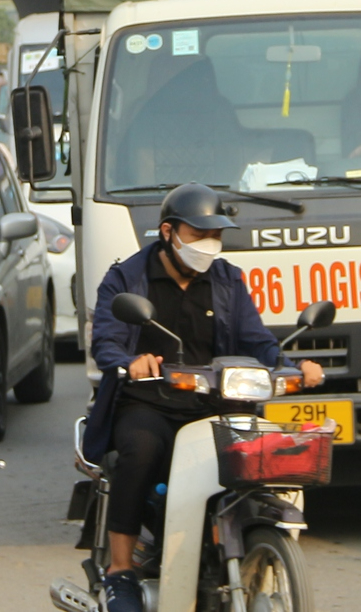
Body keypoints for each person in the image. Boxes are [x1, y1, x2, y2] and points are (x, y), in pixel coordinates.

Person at [84, 183, 324, 612]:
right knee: (139, 450)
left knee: (259, 462)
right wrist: (130, 360)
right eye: (198, 235)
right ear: (167, 232)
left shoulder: (227, 278)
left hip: (218, 404)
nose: (209, 245)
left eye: (215, 235)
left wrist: (290, 365)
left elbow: (256, 338)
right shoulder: (127, 278)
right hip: (151, 402)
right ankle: (121, 570)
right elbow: (107, 341)